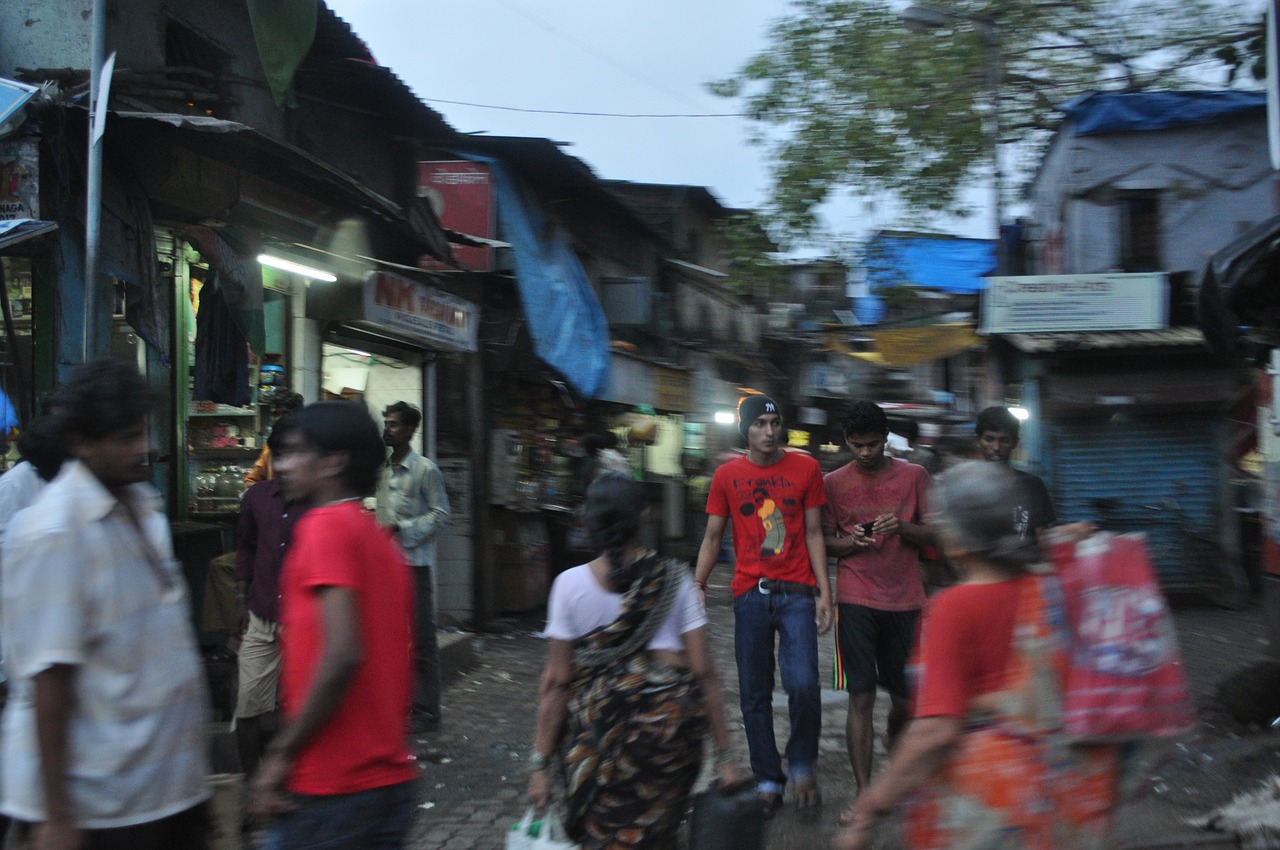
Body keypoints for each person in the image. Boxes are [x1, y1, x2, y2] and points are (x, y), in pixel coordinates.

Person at [833, 461, 1125, 850]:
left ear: (956, 539)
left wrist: (869, 810)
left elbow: (935, 731)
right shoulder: (1050, 588)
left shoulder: (954, 608)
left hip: (990, 812)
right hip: (1060, 804)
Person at [0, 360, 211, 849]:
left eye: (143, 433)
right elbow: (50, 679)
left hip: (166, 788)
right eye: (124, 438)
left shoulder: (141, 506)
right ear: (81, 442)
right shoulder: (55, 531)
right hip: (102, 804)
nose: (142, 449)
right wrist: (56, 816)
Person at [528, 473, 745, 848]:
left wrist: (539, 766)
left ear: (590, 521)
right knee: (657, 835)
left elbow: (558, 683)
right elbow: (705, 674)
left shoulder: (569, 585)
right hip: (666, 748)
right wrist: (725, 756)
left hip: (596, 750)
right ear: (643, 518)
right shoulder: (676, 580)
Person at [250, 401, 417, 849]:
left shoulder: (325, 527)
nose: (280, 466)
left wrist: (281, 755)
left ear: (333, 463)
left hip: (332, 788)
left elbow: (342, 653)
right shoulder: (377, 540)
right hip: (387, 777)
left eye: (293, 453)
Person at [693, 395, 833, 813]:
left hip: (797, 593)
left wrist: (825, 590)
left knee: (804, 684)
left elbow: (813, 533)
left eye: (775, 422)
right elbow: (714, 537)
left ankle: (803, 763)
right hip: (748, 594)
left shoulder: (806, 468)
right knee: (754, 693)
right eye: (760, 424)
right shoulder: (726, 475)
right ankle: (769, 776)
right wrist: (697, 583)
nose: (769, 432)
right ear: (746, 430)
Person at [821, 401, 931, 819]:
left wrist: (902, 527)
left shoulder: (915, 476)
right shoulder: (833, 483)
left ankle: (895, 749)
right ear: (846, 442)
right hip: (855, 598)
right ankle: (865, 794)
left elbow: (936, 532)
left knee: (906, 701)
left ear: (886, 439)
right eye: (856, 445)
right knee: (860, 694)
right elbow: (824, 541)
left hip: (906, 600)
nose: (864, 452)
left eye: (871, 444)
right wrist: (852, 543)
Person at [233, 427, 308, 778]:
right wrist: (239, 598)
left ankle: (287, 782)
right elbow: (246, 547)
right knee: (248, 707)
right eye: (280, 456)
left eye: (294, 455)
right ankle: (253, 786)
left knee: (294, 708)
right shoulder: (257, 498)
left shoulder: (317, 506)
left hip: (302, 620)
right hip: (262, 614)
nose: (286, 464)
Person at [376, 400, 450, 733]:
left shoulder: (425, 470)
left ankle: (427, 710)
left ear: (410, 429)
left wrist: (403, 530)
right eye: (387, 423)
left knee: (421, 639)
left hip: (414, 565)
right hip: (384, 566)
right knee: (389, 638)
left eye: (394, 424)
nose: (388, 429)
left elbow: (440, 514)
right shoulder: (381, 469)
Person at [975, 406, 1056, 541]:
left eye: (1004, 440)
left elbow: (1041, 537)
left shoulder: (1032, 485)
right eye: (989, 439)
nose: (996, 448)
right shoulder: (966, 486)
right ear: (978, 441)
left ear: (1015, 442)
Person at [244, 389, 305, 485]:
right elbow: (250, 481)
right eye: (275, 414)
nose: (279, 419)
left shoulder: (311, 448)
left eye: (286, 413)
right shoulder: (269, 449)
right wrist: (268, 492)